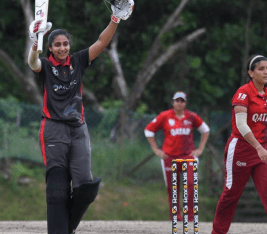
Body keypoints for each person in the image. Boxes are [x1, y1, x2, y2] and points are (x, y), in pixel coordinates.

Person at [27, 1, 134, 233]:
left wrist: (115, 19)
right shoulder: (45, 65)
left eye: (65, 44)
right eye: (57, 45)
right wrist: (35, 41)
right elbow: (32, 62)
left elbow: (101, 42)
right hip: (53, 129)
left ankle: (66, 228)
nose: (62, 48)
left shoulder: (78, 61)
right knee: (57, 188)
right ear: (51, 48)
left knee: (86, 185)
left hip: (78, 129)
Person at [211, 55, 267, 234]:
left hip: (262, 151)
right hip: (241, 149)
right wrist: (258, 147)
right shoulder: (244, 92)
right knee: (230, 195)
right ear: (251, 73)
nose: (266, 72)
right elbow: (241, 125)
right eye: (261, 68)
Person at [144, 91, 210, 222]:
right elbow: (148, 130)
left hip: (188, 156)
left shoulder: (191, 116)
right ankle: (176, 216)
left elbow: (205, 130)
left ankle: (190, 217)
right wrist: (156, 150)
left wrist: (200, 148)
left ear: (185, 103)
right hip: (170, 157)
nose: (179, 103)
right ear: (173, 102)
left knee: (190, 185)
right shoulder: (165, 116)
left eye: (182, 101)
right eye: (177, 101)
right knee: (173, 188)